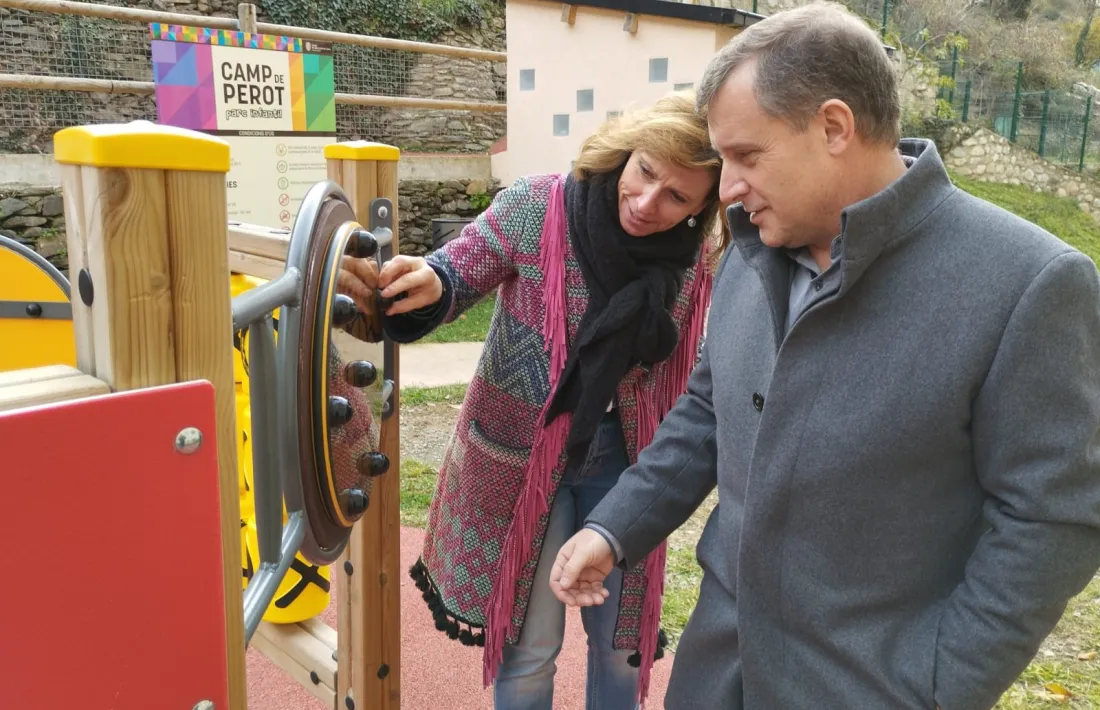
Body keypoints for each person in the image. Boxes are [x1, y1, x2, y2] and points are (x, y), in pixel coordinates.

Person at [548, 4, 1100, 710]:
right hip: (714, 674)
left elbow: (1050, 518)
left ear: (835, 127)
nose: (728, 190)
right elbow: (708, 412)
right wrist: (614, 526)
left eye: (748, 156)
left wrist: (941, 684)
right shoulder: (750, 248)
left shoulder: (1031, 281)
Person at [371, 91, 728, 709]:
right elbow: (455, 273)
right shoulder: (540, 206)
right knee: (530, 649)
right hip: (522, 461)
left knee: (620, 648)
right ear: (626, 151)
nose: (647, 203)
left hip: (627, 465)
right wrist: (431, 282)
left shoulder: (699, 264)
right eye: (645, 171)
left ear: (703, 209)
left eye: (677, 196)